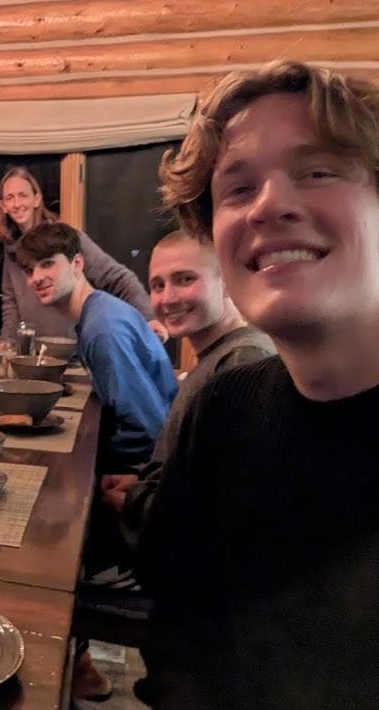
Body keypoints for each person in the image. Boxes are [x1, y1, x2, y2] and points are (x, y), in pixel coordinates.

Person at [140, 61, 379, 708]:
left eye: (317, 171)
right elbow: (179, 643)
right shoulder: (223, 411)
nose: (268, 204)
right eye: (237, 187)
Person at [100, 230, 275, 540]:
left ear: (228, 281)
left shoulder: (243, 362)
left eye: (184, 279)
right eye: (157, 285)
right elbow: (194, 473)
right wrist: (140, 482)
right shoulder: (215, 357)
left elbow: (222, 507)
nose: (167, 298)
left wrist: (135, 501)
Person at [18, 221, 176, 472]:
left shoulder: (103, 329)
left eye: (47, 264)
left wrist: (85, 461)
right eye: (29, 270)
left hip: (152, 470)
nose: (37, 277)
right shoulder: (96, 312)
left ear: (77, 263)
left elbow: (147, 427)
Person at [0, 166, 160, 340]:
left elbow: (117, 277)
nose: (17, 204)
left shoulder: (64, 239)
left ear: (37, 199)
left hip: (75, 349)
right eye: (10, 198)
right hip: (36, 353)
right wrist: (7, 345)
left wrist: (149, 319)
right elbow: (10, 303)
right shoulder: (11, 249)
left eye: (23, 195)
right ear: (3, 206)